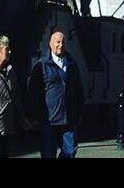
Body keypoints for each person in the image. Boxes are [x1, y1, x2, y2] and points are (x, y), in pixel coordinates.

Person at [27, 30, 84, 159]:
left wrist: (80, 113)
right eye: (57, 42)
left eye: (63, 42)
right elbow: (34, 93)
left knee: (70, 151)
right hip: (49, 119)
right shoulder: (41, 65)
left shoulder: (71, 64)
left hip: (69, 118)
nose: (60, 45)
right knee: (48, 154)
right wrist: (34, 117)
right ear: (50, 44)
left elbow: (78, 90)